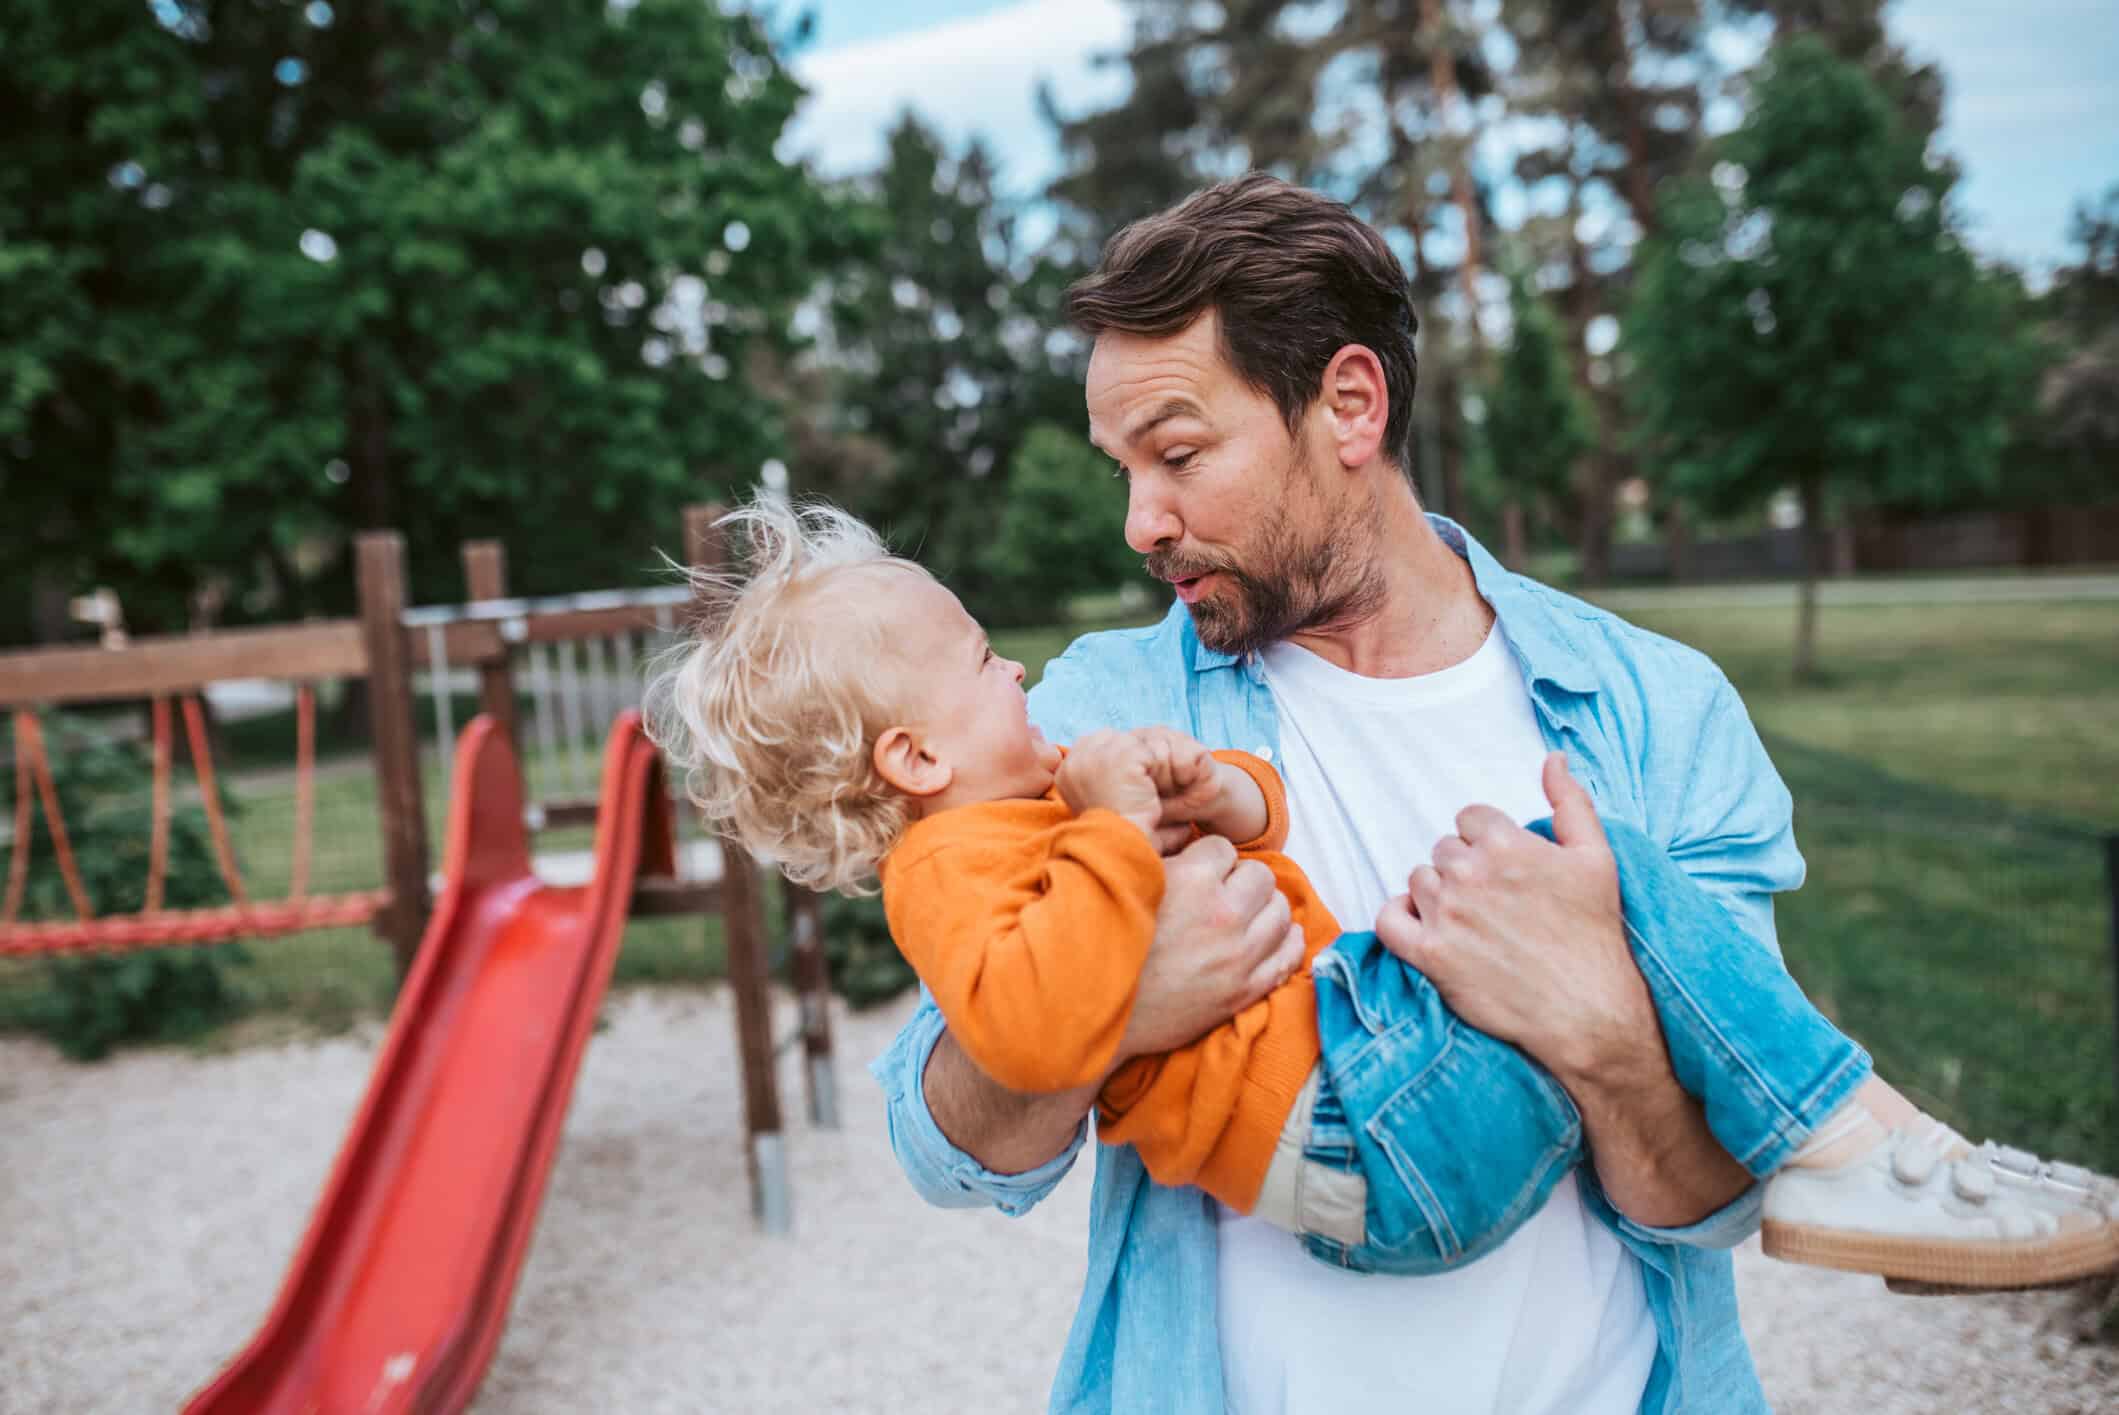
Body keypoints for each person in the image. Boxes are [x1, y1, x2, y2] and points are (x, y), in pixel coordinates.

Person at [647, 495, 2115, 1296]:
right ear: (911, 755)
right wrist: (1121, 905)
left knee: (1594, 885)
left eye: (1178, 451)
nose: (1019, 667)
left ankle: (1870, 1164)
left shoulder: (1652, 702)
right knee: (1584, 881)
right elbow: (1004, 1058)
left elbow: (1250, 840)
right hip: (1366, 1141)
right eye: (978, 663)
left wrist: (1223, 796)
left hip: (1375, 1094)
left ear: (1347, 406)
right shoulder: (957, 861)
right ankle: (1865, 1149)